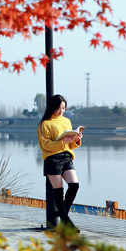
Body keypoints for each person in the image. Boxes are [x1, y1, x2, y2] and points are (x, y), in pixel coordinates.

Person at [37, 94, 82, 231]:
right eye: (58, 108)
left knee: (74, 185)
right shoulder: (44, 124)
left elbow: (70, 146)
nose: (61, 111)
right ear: (52, 107)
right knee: (59, 191)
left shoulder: (66, 121)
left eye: (63, 108)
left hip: (67, 157)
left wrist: (76, 139)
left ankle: (61, 213)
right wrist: (62, 142)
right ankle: (66, 222)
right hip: (52, 159)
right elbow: (45, 145)